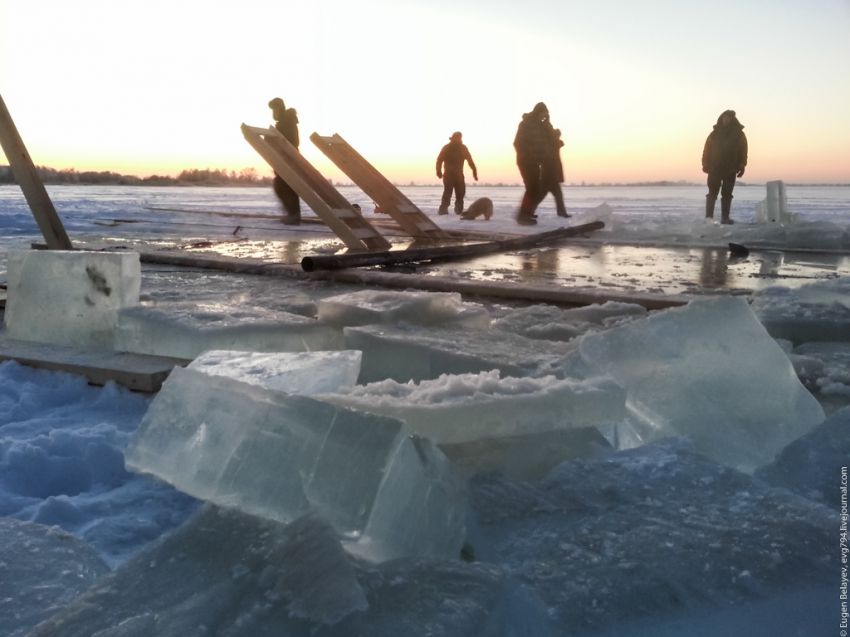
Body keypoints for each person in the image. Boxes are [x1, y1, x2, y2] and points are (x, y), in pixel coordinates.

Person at [514, 102, 558, 225]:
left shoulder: (541, 125)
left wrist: (548, 123)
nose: (545, 115)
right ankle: (523, 215)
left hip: (535, 161)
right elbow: (517, 142)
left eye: (547, 114)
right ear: (539, 111)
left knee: (536, 188)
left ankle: (527, 213)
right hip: (526, 160)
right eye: (544, 113)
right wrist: (529, 154)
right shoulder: (526, 124)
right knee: (532, 187)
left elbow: (552, 137)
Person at [702, 109, 748, 225]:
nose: (726, 119)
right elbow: (707, 149)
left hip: (730, 169)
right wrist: (705, 164)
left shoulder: (739, 134)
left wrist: (742, 166)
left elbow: (743, 151)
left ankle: (725, 218)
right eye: (724, 117)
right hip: (714, 168)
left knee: (727, 194)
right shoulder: (714, 134)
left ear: (732, 120)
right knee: (712, 192)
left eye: (728, 118)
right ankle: (708, 218)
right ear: (721, 118)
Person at [268, 97, 301, 225]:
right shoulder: (287, 120)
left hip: (287, 157)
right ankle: (293, 214)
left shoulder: (286, 121)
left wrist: (272, 137)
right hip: (286, 157)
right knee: (287, 186)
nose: (273, 113)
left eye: (274, 110)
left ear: (279, 108)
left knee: (282, 185)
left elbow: (290, 140)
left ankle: (293, 215)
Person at [435, 131, 478, 215]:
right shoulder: (447, 147)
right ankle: (443, 209)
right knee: (448, 192)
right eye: (457, 137)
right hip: (448, 175)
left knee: (460, 193)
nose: (458, 139)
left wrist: (474, 172)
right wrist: (438, 171)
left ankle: (458, 209)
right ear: (453, 137)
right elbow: (439, 160)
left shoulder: (463, 148)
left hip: (459, 175)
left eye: (459, 137)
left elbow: (470, 161)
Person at [544, 127, 569, 217]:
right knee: (538, 196)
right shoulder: (551, 144)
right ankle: (525, 213)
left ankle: (562, 212)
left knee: (558, 195)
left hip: (552, 175)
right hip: (549, 175)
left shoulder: (554, 143)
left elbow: (560, 143)